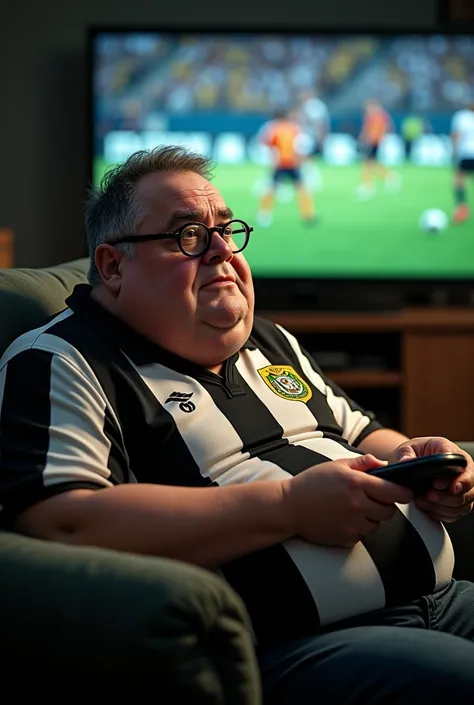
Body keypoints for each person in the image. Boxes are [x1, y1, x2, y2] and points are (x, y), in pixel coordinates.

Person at [1, 145, 474, 703]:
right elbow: (62, 521)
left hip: (447, 601)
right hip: (303, 644)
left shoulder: (270, 340)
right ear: (112, 266)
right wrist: (289, 508)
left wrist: (420, 458)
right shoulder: (63, 360)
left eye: (227, 230)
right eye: (188, 236)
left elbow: (363, 432)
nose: (223, 251)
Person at [256, 109, 315, 227]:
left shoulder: (273, 128)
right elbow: (301, 147)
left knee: (271, 189)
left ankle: (263, 215)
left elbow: (266, 143)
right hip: (292, 163)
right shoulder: (294, 128)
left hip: (280, 164)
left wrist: (273, 159)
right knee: (302, 188)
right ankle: (308, 215)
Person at [356, 99, 401, 199]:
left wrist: (376, 138)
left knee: (368, 164)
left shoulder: (379, 116)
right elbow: (367, 129)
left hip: (375, 142)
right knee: (370, 164)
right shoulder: (371, 116)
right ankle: (388, 177)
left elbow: (383, 129)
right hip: (372, 142)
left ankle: (370, 186)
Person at [450, 100, 474, 225]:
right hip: (468, 153)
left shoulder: (462, 116)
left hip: (466, 153)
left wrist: (453, 153)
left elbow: (456, 135)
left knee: (459, 179)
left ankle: (461, 208)